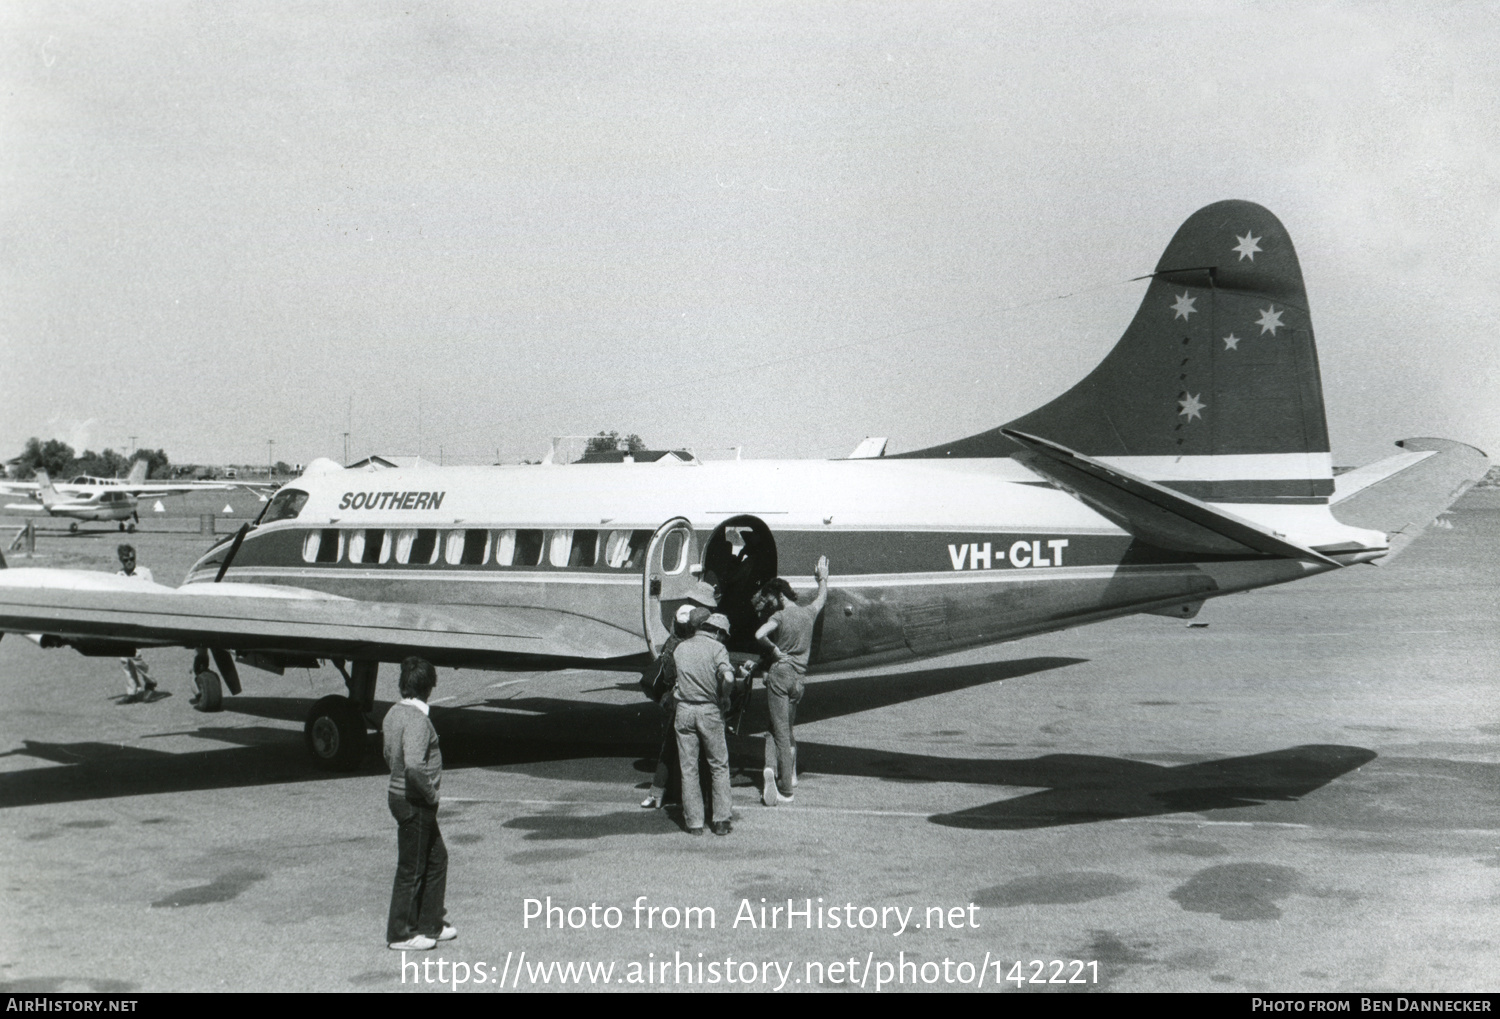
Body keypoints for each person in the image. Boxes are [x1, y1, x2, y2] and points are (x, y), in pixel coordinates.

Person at [383, 656, 456, 951]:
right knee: (412, 869)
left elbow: (390, 753)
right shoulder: (418, 721)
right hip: (414, 802)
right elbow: (414, 766)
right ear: (429, 687)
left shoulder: (393, 713)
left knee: (437, 859)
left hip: (401, 797)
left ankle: (430, 925)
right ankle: (400, 934)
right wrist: (430, 794)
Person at [754, 555, 830, 806]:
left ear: (778, 596)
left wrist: (774, 650)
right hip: (799, 680)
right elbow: (821, 599)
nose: (769, 604)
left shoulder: (780, 617)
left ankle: (783, 786)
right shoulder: (808, 613)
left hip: (779, 674)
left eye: (770, 599)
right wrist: (823, 579)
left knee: (778, 732)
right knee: (783, 726)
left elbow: (759, 634)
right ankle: (786, 775)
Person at [640, 600, 711, 809]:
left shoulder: (670, 645)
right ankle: (700, 798)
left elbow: (669, 676)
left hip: (673, 700)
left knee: (669, 747)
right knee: (700, 751)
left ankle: (657, 793)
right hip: (697, 702)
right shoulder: (698, 646)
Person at [671, 613, 737, 836]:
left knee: (688, 768)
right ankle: (720, 821)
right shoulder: (717, 649)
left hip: (684, 710)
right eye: (723, 636)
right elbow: (728, 678)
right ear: (717, 632)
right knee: (718, 765)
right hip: (708, 710)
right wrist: (725, 696)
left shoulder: (680, 648)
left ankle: (694, 823)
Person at [115, 544, 157, 701]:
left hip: (140, 618)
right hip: (125, 619)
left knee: (135, 655)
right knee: (124, 658)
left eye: (132, 559)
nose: (130, 562)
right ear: (121, 560)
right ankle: (132, 691)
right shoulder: (117, 576)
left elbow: (153, 594)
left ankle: (150, 682)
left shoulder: (144, 573)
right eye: (126, 560)